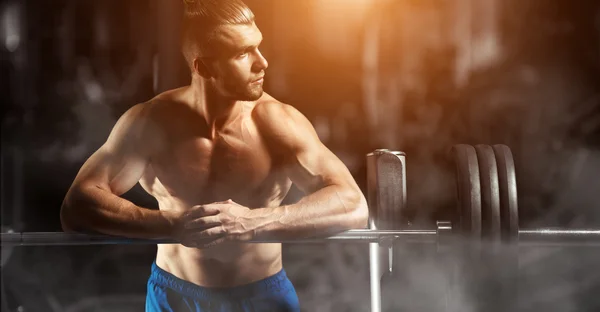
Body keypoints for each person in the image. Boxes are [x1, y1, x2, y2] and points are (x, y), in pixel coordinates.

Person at [60, 0, 369, 311]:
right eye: (242, 53)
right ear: (203, 67)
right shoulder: (151, 124)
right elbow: (77, 205)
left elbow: (353, 204)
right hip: (174, 297)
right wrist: (171, 225)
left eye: (258, 47)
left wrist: (251, 221)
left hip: (261, 297)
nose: (262, 63)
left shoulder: (277, 123)